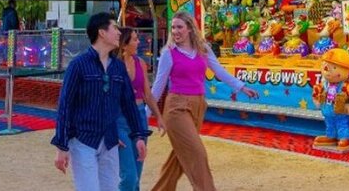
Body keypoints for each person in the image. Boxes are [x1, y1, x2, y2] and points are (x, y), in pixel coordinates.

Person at [151, 11, 259, 191]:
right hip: (176, 108)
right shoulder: (168, 54)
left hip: (198, 105)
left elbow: (219, 71)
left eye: (179, 27)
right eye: (173, 28)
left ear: (190, 29)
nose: (175, 31)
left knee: (179, 156)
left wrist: (241, 87)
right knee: (197, 153)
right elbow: (158, 86)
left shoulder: (203, 49)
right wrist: (145, 113)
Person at [51, 13, 149, 191]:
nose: (119, 33)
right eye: (115, 28)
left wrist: (138, 135)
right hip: (83, 140)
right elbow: (65, 106)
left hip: (110, 141)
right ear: (102, 33)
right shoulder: (78, 65)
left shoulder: (118, 67)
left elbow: (129, 103)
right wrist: (61, 145)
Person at [117, 27, 165, 191]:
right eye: (135, 39)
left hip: (139, 117)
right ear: (124, 44)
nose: (139, 42)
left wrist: (158, 116)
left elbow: (147, 94)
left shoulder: (140, 63)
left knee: (136, 175)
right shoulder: (114, 66)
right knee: (128, 176)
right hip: (120, 119)